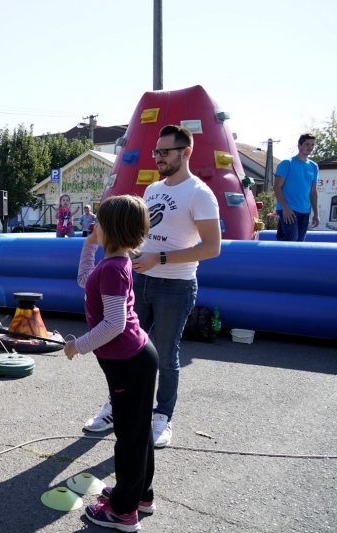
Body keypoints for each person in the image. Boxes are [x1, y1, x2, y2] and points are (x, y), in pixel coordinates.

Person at [84, 125, 221, 449]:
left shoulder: (200, 194)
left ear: (185, 152)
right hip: (139, 278)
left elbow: (213, 247)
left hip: (176, 286)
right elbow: (140, 235)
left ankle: (162, 416)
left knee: (165, 353)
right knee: (123, 346)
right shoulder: (153, 190)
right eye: (155, 152)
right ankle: (116, 407)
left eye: (165, 152)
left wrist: (161, 258)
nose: (158, 157)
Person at [65, 195, 158, 532]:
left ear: (113, 229)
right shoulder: (113, 264)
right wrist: (89, 245)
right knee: (138, 431)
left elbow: (115, 324)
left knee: (130, 437)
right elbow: (84, 279)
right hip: (133, 360)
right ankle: (139, 494)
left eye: (99, 223)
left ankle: (123, 511)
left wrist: (79, 346)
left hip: (130, 363)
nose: (94, 227)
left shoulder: (116, 270)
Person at [274, 133, 320, 241]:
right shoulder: (287, 163)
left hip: (304, 210)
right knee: (291, 239)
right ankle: (267, 255)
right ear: (299, 145)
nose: (310, 147)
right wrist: (285, 208)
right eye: (307, 144)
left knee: (299, 243)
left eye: (312, 145)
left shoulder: (314, 166)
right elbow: (277, 187)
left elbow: (313, 192)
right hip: (288, 208)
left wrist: (316, 213)